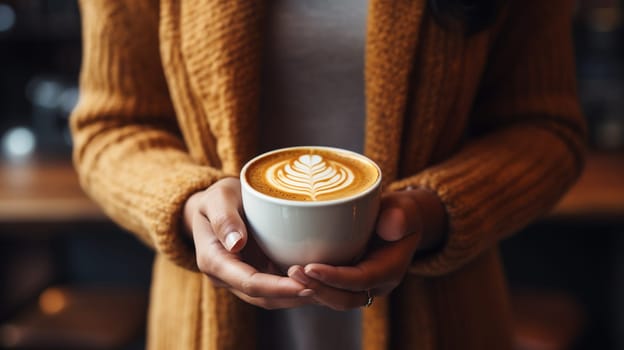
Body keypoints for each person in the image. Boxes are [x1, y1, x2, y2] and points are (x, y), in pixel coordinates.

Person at [70, 0, 586, 349]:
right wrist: (188, 202)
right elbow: (110, 127)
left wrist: (432, 213)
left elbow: (545, 127)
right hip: (207, 322)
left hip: (444, 320)